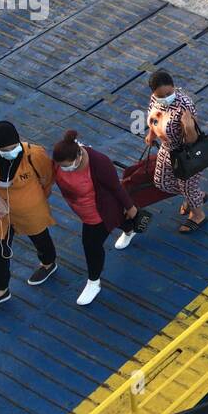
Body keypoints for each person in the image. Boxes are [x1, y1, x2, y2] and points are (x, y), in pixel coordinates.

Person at [0, 121, 57, 312]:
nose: (10, 151)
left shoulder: (35, 154)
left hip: (30, 209)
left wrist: (38, 200)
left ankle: (48, 263)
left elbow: (48, 178)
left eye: (13, 147)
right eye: (4, 149)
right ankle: (1, 290)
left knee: (40, 238)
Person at [51, 130, 140, 306]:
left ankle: (94, 282)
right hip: (81, 209)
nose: (64, 169)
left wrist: (131, 207)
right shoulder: (58, 162)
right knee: (120, 221)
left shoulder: (99, 162)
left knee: (91, 245)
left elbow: (116, 187)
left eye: (68, 166)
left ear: (78, 156)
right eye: (61, 166)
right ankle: (130, 230)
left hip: (99, 212)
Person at [145, 70, 208, 232]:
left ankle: (197, 214)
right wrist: (151, 133)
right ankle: (195, 196)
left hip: (186, 152)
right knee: (162, 182)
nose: (165, 97)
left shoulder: (185, 105)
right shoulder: (155, 99)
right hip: (167, 148)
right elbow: (154, 116)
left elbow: (193, 140)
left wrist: (188, 127)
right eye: (161, 95)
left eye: (169, 93)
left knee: (187, 186)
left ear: (174, 87)